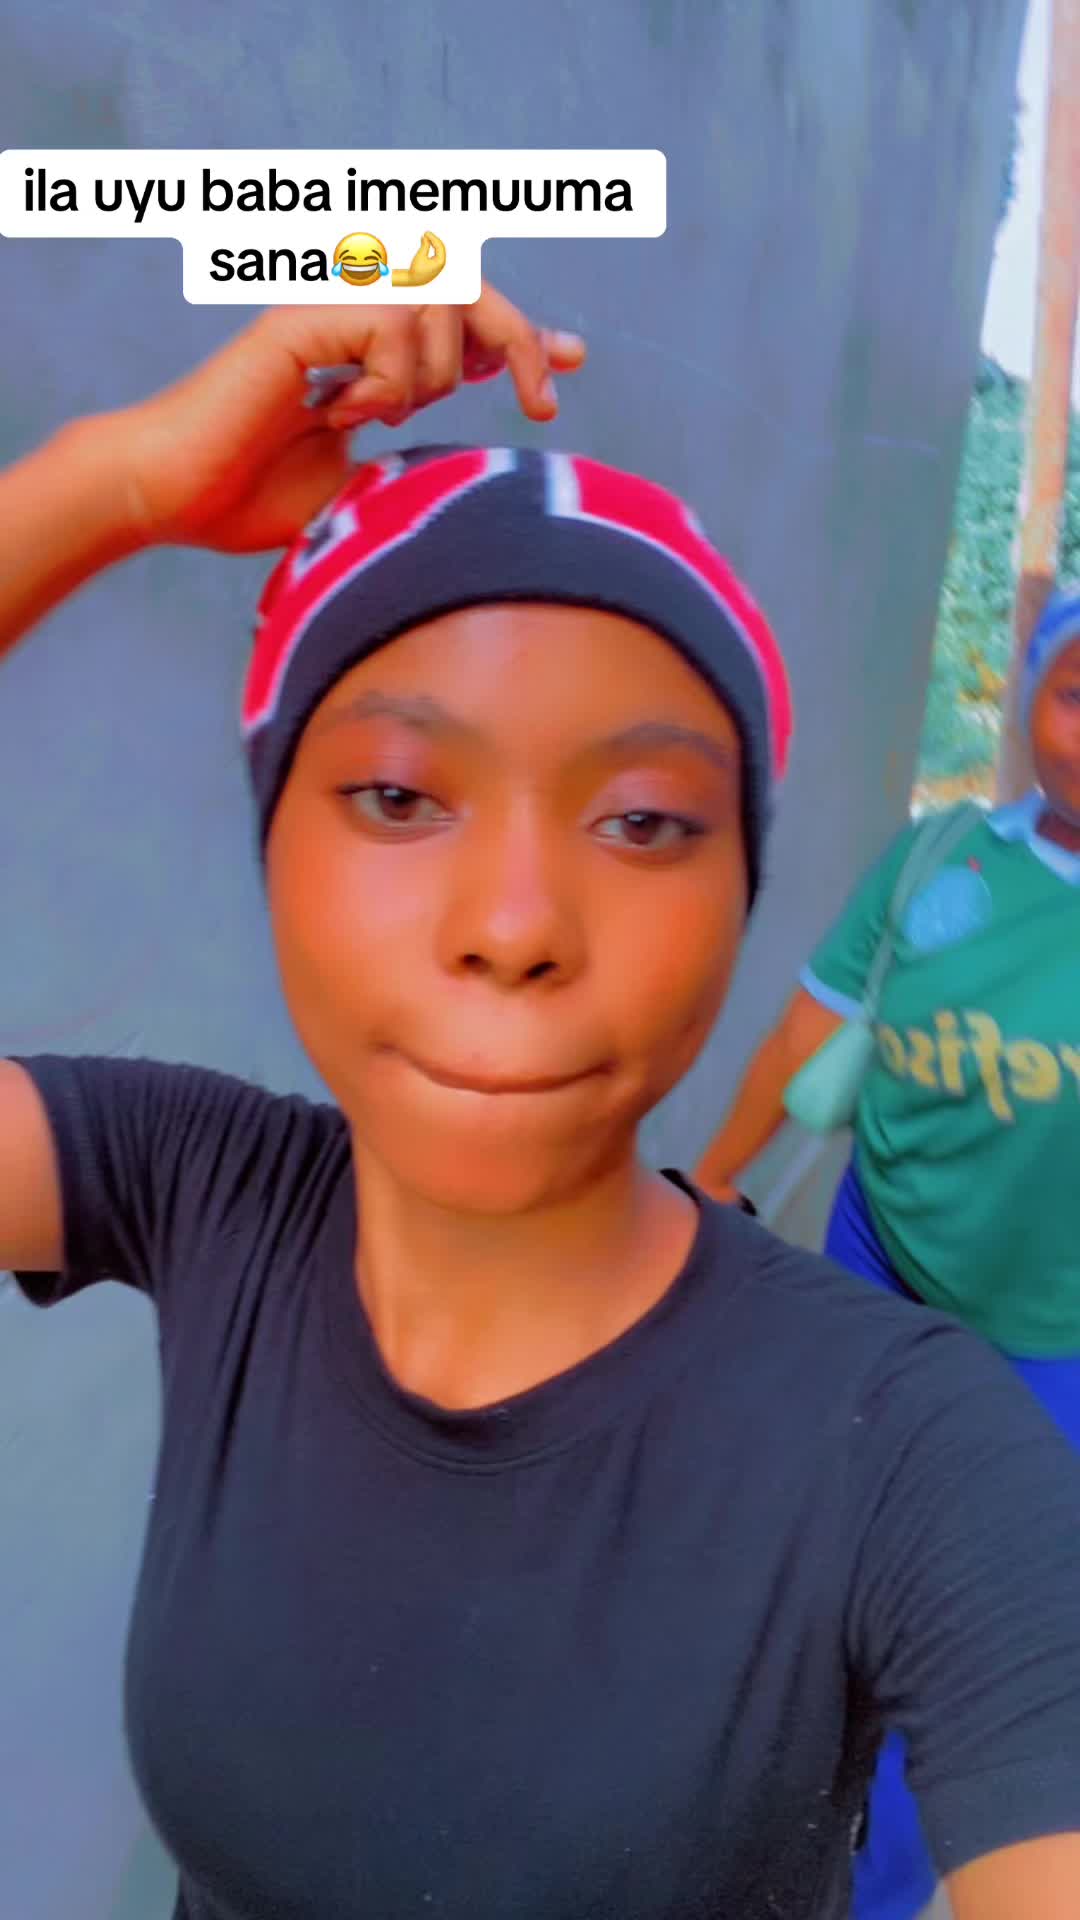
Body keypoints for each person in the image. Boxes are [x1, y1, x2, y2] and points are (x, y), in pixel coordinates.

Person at [2, 290, 1080, 1920]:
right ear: (272, 845)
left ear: (742, 892)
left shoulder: (912, 1449)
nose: (515, 924)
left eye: (643, 821)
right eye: (396, 795)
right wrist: (114, 483)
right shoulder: (200, 1192)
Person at [695, 589, 1080, 1920]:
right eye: (1077, 693)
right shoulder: (934, 866)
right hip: (879, 1275)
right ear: (1029, 700)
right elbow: (808, 1033)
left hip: (1057, 1352)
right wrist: (719, 1177)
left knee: (977, 1638)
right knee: (815, 1578)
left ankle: (866, 1893)